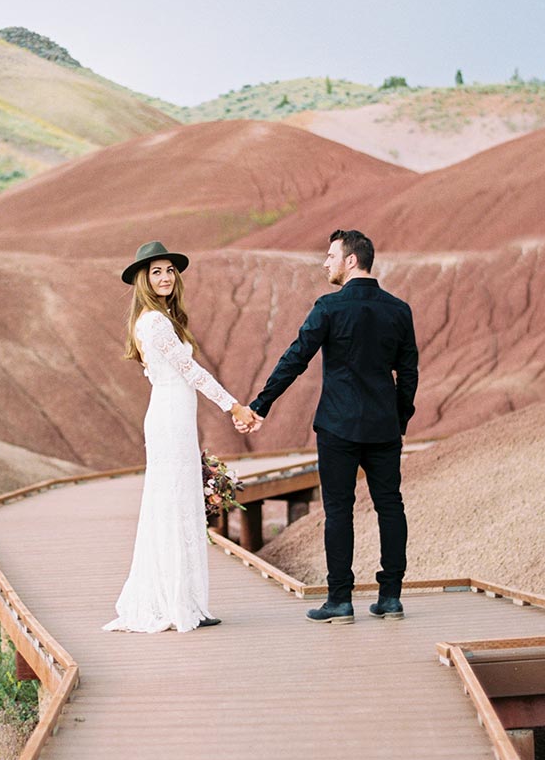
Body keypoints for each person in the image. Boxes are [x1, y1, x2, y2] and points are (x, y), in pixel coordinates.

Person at [246, 229, 418, 624]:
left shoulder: (329, 307)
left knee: (338, 511)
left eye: (330, 256)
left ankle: (340, 600)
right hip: (383, 427)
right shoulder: (399, 310)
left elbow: (295, 358)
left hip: (338, 426)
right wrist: (399, 418)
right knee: (391, 506)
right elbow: (408, 372)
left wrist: (262, 404)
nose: (325, 263)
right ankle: (390, 597)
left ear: (351, 260)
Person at [104, 240, 261, 633]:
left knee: (175, 503)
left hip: (171, 413)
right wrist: (234, 407)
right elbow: (191, 373)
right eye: (156, 271)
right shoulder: (155, 322)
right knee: (176, 505)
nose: (165, 277)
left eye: (169, 270)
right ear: (143, 279)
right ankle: (180, 604)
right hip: (171, 416)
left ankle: (183, 600)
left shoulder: (156, 319)